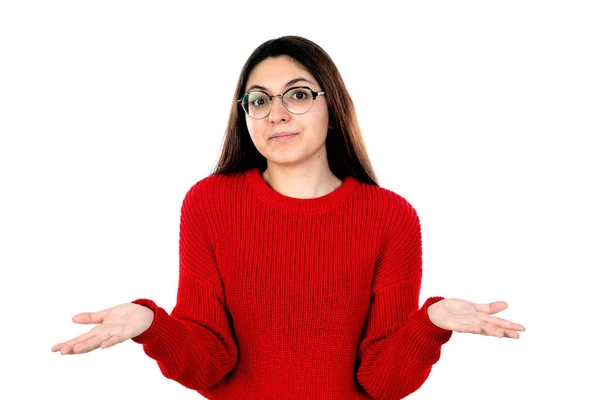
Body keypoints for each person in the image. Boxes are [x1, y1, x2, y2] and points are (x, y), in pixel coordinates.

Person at [51, 35, 525, 399]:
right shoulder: (209, 203)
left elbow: (383, 382)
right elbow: (209, 363)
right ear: (246, 117)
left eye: (297, 95)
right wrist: (151, 324)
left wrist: (431, 322)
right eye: (259, 100)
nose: (276, 113)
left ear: (332, 109)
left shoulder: (390, 217)